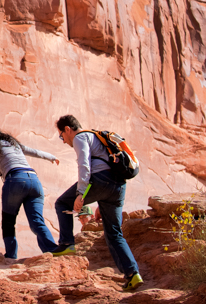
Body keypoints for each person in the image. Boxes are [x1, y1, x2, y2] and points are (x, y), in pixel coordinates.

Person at [53, 114, 143, 292]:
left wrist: (80, 193)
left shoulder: (80, 137)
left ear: (67, 130)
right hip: (118, 186)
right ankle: (133, 275)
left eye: (61, 136)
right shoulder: (96, 136)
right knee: (114, 233)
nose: (62, 140)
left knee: (62, 203)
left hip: (101, 181)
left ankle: (66, 244)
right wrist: (104, 202)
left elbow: (84, 165)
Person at [0, 120, 60, 259]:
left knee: (8, 222)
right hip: (34, 180)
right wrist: (52, 157)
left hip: (15, 180)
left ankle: (11, 257)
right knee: (37, 221)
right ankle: (53, 251)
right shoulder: (12, 142)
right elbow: (34, 152)